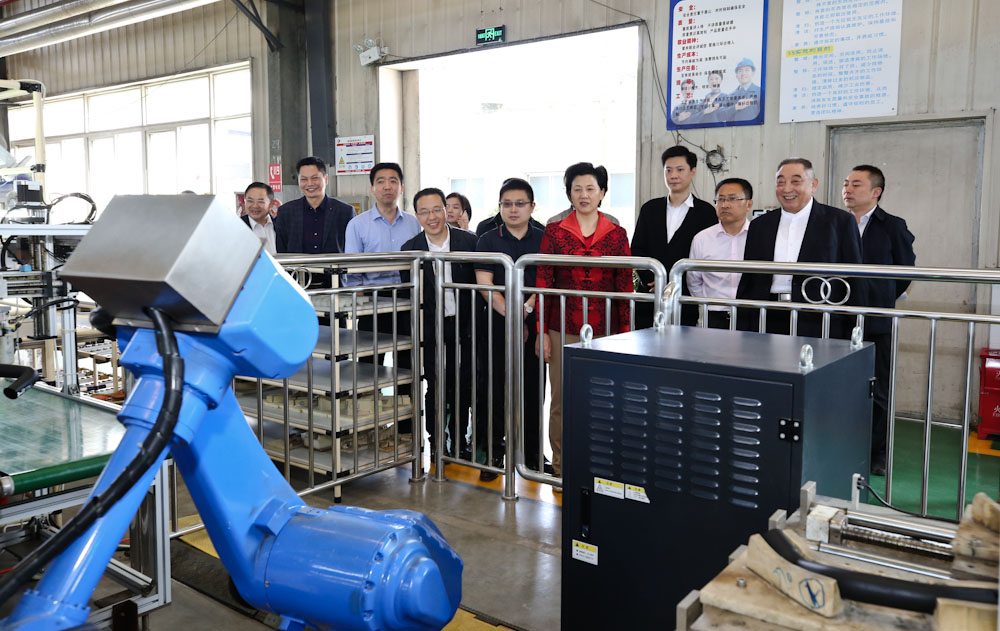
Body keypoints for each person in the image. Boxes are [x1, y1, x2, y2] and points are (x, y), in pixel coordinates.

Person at [537, 163, 632, 479]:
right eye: (577, 189)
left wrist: (625, 334)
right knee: (561, 401)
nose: (584, 195)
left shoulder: (617, 234)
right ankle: (562, 468)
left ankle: (598, 468)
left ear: (602, 192)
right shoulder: (555, 231)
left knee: (603, 399)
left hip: (606, 331)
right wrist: (542, 332)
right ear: (569, 194)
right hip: (561, 327)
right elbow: (544, 282)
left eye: (591, 188)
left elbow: (624, 286)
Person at [736, 158, 863, 338]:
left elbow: (854, 277)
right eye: (780, 182)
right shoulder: (760, 225)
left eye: (795, 181)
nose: (787, 189)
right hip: (766, 315)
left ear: (813, 184)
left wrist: (854, 327)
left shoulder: (839, 222)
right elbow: (748, 278)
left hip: (818, 318)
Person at [843, 164, 915, 476]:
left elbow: (905, 272)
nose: (847, 189)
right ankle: (843, 445)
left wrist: (879, 298)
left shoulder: (892, 226)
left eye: (856, 184)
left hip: (877, 319)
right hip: (840, 319)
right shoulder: (836, 222)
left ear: (876, 192)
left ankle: (878, 452)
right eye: (846, 183)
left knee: (879, 388)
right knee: (842, 386)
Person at [401, 188, 479, 468]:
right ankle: (437, 444)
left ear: (446, 210)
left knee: (464, 383)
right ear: (416, 215)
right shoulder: (410, 249)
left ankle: (459, 442)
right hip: (430, 327)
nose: (431, 217)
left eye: (437, 209)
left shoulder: (469, 241)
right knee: (434, 385)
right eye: (424, 211)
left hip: (465, 324)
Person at [474, 178, 546, 481]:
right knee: (495, 388)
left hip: (536, 323)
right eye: (507, 204)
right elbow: (485, 285)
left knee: (533, 388)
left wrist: (526, 311)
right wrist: (513, 315)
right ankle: (493, 452)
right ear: (499, 206)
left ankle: (533, 454)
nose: (513, 209)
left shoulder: (544, 238)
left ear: (532, 206)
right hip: (496, 322)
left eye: (519, 204)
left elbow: (545, 282)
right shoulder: (487, 239)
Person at [344, 162, 421, 430]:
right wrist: (362, 298)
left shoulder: (413, 223)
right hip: (372, 301)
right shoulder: (357, 224)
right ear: (372, 188)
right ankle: (368, 425)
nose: (387, 186)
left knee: (406, 364)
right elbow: (352, 269)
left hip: (406, 300)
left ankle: (405, 427)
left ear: (402, 187)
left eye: (393, 181)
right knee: (368, 365)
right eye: (381, 181)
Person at [631, 145, 717, 328]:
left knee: (682, 343)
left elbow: (708, 255)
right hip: (649, 297)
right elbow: (637, 249)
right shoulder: (650, 209)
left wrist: (678, 285)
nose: (673, 175)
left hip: (685, 298)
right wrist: (654, 280)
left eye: (680, 170)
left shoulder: (706, 212)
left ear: (692, 172)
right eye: (668, 170)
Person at [687, 178, 753, 329]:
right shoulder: (702, 238)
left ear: (749, 204)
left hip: (750, 314)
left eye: (732, 199)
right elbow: (694, 281)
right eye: (720, 199)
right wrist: (709, 304)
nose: (725, 205)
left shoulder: (759, 236)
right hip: (714, 316)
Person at [274, 157, 355, 254]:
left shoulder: (345, 211)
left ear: (326, 179)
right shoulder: (286, 212)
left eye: (314, 178)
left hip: (333, 264)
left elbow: (351, 248)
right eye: (304, 179)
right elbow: (281, 251)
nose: (309, 184)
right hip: (297, 264)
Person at [705, 58, 761, 123]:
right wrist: (735, 107)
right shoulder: (730, 96)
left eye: (747, 70)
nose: (743, 73)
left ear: (753, 73)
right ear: (736, 76)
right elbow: (719, 115)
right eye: (740, 71)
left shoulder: (759, 92)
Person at [241, 182, 278, 256]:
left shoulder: (280, 225)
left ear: (271, 204)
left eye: (260, 202)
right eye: (250, 201)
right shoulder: (237, 226)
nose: (255, 206)